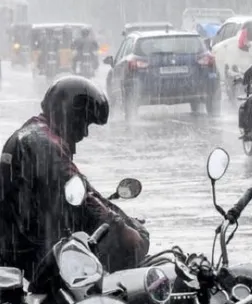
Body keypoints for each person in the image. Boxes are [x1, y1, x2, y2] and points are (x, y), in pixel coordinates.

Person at [0, 76, 150, 279]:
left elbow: (80, 187)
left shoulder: (34, 134)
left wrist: (120, 217)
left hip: (21, 249)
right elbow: (79, 194)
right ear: (71, 116)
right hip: (34, 256)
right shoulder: (42, 143)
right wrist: (119, 227)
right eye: (84, 123)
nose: (85, 134)